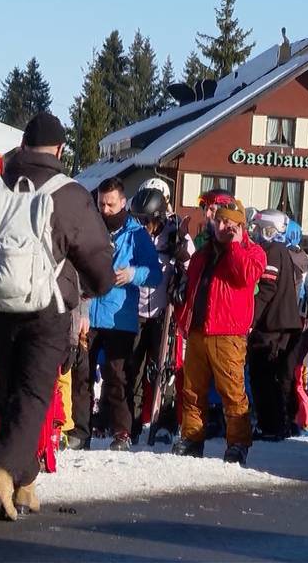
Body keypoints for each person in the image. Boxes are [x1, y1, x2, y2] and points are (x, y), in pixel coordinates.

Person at [0, 112, 113, 521]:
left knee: (8, 392)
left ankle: (26, 484)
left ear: (22, 146)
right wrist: (97, 286)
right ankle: (3, 476)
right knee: (34, 396)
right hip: (47, 308)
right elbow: (97, 258)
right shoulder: (69, 193)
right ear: (59, 150)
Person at [172, 198, 265, 465]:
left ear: (240, 225)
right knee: (192, 390)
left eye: (228, 222)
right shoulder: (203, 254)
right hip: (199, 329)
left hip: (228, 333)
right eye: (219, 220)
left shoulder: (252, 252)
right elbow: (191, 292)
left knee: (232, 391)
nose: (222, 226)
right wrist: (183, 318)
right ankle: (192, 438)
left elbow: (245, 276)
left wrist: (235, 246)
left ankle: (237, 444)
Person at [73, 177, 161, 451]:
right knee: (82, 374)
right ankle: (81, 430)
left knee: (117, 375)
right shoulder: (92, 228)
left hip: (120, 316)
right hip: (89, 312)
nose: (106, 209)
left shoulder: (137, 234)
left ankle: (122, 431)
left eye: (111, 204)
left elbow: (155, 274)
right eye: (102, 204)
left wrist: (133, 274)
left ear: (123, 202)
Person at [123, 182, 194, 443]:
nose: (143, 225)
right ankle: (129, 423)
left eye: (147, 221)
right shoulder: (134, 235)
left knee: (166, 370)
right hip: (136, 310)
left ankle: (164, 422)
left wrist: (182, 256)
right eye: (138, 220)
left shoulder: (175, 235)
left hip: (164, 312)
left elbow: (192, 266)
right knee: (133, 368)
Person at [247, 210, 303, 441]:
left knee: (263, 375)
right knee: (274, 376)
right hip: (281, 322)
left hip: (271, 324)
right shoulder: (281, 252)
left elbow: (267, 288)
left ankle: (271, 425)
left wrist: (250, 318)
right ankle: (278, 423)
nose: (257, 234)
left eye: (260, 229)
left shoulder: (273, 251)